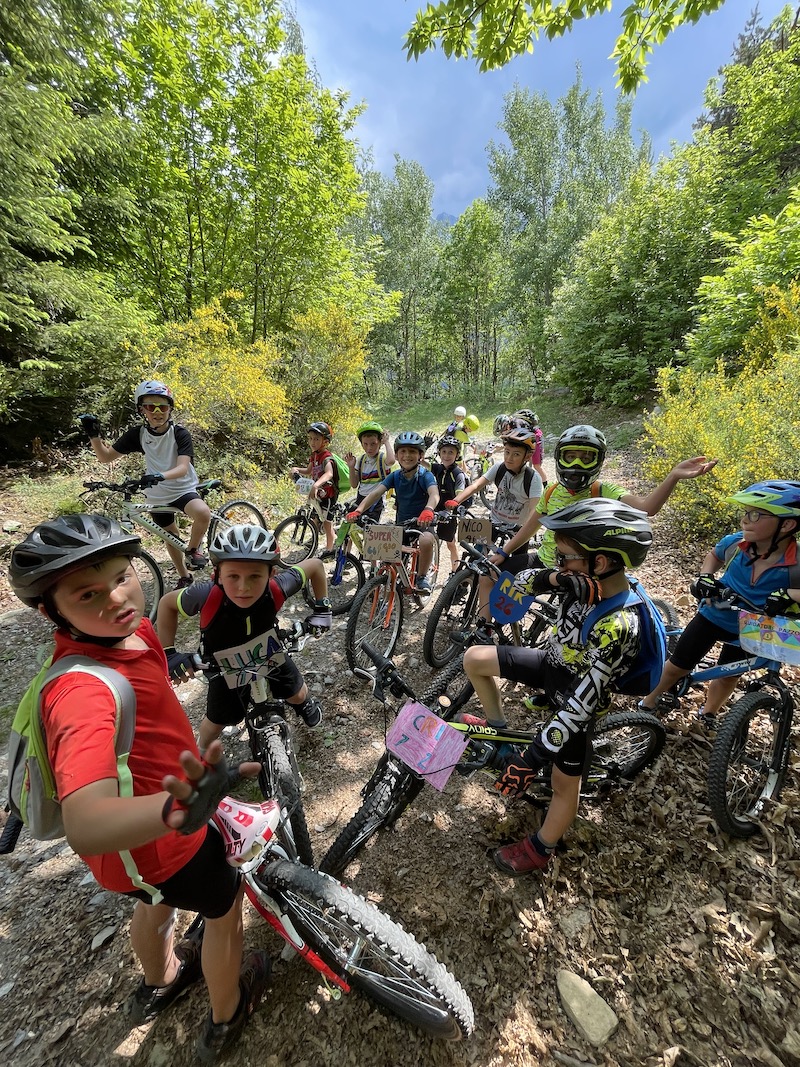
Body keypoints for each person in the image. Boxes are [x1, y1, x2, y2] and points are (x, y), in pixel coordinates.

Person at [8, 514, 269, 1060]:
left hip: (143, 860)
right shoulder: (81, 693)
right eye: (87, 593)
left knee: (154, 904)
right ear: (49, 610)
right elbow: (85, 821)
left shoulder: (132, 631)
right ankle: (228, 1014)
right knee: (224, 910)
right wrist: (179, 807)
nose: (118, 597)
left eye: (123, 575)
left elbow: (163, 620)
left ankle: (161, 980)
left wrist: (175, 657)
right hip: (157, 846)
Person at [463, 500, 655, 877]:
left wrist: (531, 760)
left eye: (565, 558)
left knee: (564, 785)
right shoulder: (583, 583)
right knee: (475, 659)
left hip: (580, 701)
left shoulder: (620, 624)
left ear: (599, 563)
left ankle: (542, 847)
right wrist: (557, 580)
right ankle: (500, 733)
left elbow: (579, 707)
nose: (559, 564)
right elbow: (517, 585)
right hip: (554, 665)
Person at [639, 480, 800, 725]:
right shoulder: (736, 543)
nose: (745, 520)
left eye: (755, 514)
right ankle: (649, 700)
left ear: (787, 524)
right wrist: (706, 576)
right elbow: (714, 556)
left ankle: (709, 712)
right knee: (679, 665)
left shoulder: (797, 561)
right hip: (716, 613)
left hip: (754, 626)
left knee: (729, 675)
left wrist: (789, 595)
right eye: (745, 513)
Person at [157, 524, 332, 747]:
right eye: (233, 576)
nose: (243, 587)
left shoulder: (276, 588)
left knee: (297, 693)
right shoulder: (206, 594)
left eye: (254, 577)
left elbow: (316, 566)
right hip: (222, 663)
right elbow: (166, 604)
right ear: (217, 575)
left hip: (267, 651)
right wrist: (168, 653)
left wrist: (323, 608)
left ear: (272, 574)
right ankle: (200, 753)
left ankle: (304, 703)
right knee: (217, 722)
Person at [493, 424, 717, 576]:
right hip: (545, 562)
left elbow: (647, 508)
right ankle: (488, 629)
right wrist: (504, 552)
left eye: (586, 458)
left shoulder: (602, 490)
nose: (576, 465)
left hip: (581, 572)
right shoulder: (551, 491)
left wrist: (673, 476)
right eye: (570, 457)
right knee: (490, 575)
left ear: (597, 461)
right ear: (561, 457)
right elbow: (531, 527)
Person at [79, 380, 212, 589]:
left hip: (182, 489)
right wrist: (94, 435)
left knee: (203, 513)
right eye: (151, 407)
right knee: (171, 536)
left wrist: (159, 475)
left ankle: (193, 550)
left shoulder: (179, 434)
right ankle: (184, 576)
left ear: (170, 409)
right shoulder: (138, 434)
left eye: (163, 407)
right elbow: (105, 457)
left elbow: (182, 468)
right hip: (157, 495)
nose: (157, 412)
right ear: (142, 410)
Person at [444, 426, 543, 619]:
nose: (509, 458)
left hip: (517, 532)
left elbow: (534, 513)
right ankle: (463, 588)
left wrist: (524, 533)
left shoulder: (533, 479)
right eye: (507, 452)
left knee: (510, 578)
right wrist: (456, 501)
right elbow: (476, 485)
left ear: (526, 457)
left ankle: (501, 618)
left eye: (516, 454)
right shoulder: (499, 468)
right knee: (474, 559)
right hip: (493, 523)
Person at [346, 431, 439, 593]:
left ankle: (422, 577)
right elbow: (375, 493)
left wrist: (428, 510)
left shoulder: (425, 475)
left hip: (423, 522)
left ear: (420, 456)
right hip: (402, 524)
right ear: (396, 455)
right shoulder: (395, 476)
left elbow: (434, 494)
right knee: (387, 553)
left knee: (426, 541)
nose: (407, 456)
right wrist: (359, 510)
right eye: (403, 451)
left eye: (412, 452)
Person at [290, 421, 337, 552]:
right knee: (315, 519)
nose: (312, 442)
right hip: (317, 494)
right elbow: (309, 471)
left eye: (316, 439)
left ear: (325, 441)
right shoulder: (314, 455)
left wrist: (316, 484)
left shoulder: (326, 457)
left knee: (328, 525)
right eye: (310, 438)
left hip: (327, 495)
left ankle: (329, 552)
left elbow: (329, 473)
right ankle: (314, 543)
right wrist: (297, 469)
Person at [344, 420, 395, 521]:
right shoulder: (361, 460)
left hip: (375, 501)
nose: (369, 448)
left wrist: (386, 442)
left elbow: (391, 461)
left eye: (373, 444)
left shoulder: (382, 458)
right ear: (362, 444)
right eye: (365, 444)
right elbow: (354, 485)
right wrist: (351, 467)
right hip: (360, 498)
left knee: (369, 530)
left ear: (379, 443)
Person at [430, 434, 467, 568]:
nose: (446, 455)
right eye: (444, 452)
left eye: (451, 452)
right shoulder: (437, 468)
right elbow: (418, 462)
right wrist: (424, 448)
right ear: (439, 453)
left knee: (450, 544)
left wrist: (453, 505)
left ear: (457, 455)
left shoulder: (458, 474)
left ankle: (454, 571)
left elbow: (460, 492)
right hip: (434, 507)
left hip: (449, 511)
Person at [510, 408, 547, 488]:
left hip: (536, 437)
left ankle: (546, 486)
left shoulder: (516, 422)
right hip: (531, 437)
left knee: (536, 465)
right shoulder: (514, 422)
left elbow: (519, 433)